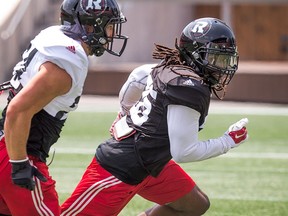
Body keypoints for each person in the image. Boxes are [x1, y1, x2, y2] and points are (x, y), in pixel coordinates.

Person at [61, 17, 249, 216]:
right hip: (122, 166)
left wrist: (125, 113)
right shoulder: (188, 88)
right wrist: (227, 141)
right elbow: (184, 152)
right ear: (196, 55)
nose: (222, 66)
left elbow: (137, 77)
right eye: (216, 58)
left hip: (152, 163)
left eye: (225, 59)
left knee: (195, 205)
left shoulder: (170, 69)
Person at [0, 0, 128, 215]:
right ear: (89, 26)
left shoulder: (54, 37)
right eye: (108, 26)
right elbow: (18, 110)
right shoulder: (67, 60)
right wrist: (20, 163)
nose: (112, 34)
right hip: (18, 153)